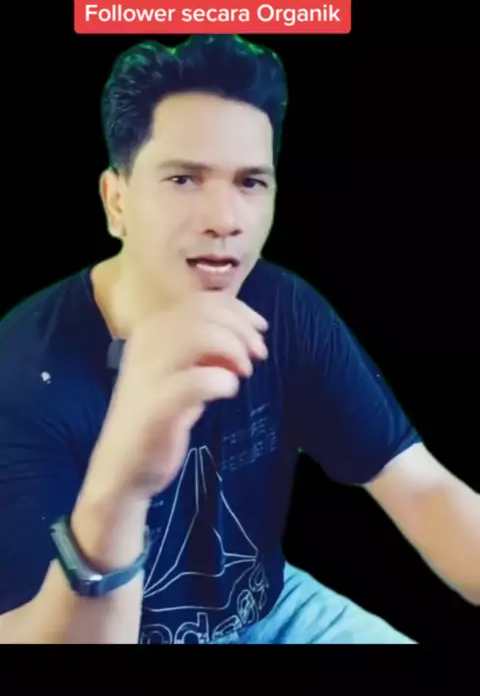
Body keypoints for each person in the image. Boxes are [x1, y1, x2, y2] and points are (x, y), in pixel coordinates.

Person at [0, 35, 478, 645]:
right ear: (116, 202)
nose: (225, 220)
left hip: (273, 612)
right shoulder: (24, 373)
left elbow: (423, 488)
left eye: (251, 182)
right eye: (183, 179)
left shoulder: (283, 308)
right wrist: (120, 485)